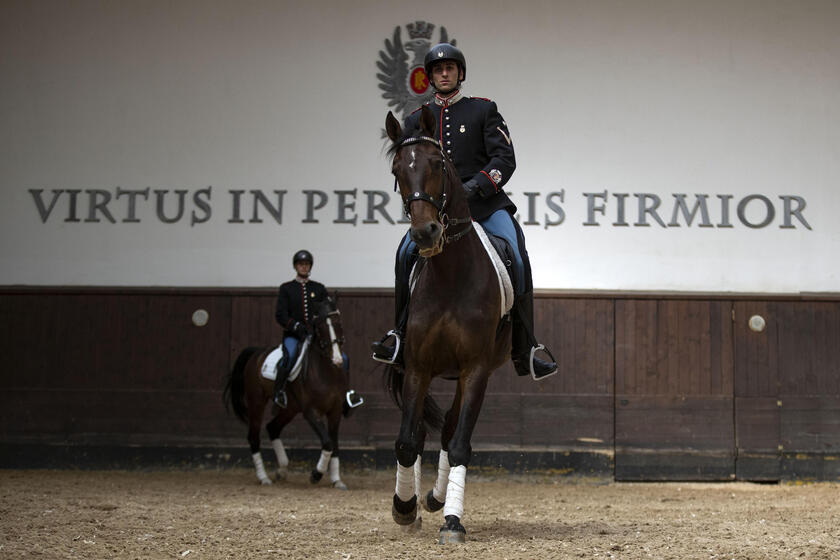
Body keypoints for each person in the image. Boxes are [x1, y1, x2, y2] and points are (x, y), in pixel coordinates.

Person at [371, 43, 558, 380]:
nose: (444, 74)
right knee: (403, 254)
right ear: (429, 77)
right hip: (437, 213)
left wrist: (476, 188)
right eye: (438, 70)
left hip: (485, 207)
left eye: (450, 68)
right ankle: (398, 334)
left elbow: (504, 160)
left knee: (516, 251)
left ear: (460, 73)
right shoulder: (415, 119)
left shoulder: (483, 111)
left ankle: (526, 347)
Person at [274, 249, 362, 407]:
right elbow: (281, 315)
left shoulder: (318, 288)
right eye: (301, 264)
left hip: (316, 336)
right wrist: (296, 326)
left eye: (307, 264)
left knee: (344, 359)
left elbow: (327, 308)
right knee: (289, 357)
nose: (304, 267)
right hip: (294, 335)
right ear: (296, 266)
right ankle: (279, 393)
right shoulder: (286, 288)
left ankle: (347, 393)